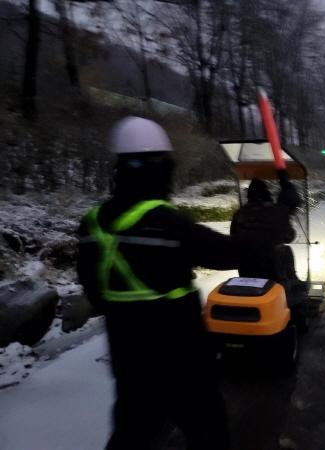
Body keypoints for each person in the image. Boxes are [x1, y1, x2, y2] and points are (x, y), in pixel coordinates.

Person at [77, 116, 241, 450]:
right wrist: (278, 210)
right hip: (183, 362)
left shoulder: (92, 225)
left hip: (129, 362)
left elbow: (94, 290)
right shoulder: (168, 224)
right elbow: (230, 254)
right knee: (208, 432)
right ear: (159, 167)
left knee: (131, 434)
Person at [230, 173, 302, 286]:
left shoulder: (239, 214)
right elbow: (289, 237)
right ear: (266, 193)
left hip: (247, 271)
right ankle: (292, 289)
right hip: (273, 272)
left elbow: (233, 238)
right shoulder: (274, 212)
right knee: (286, 250)